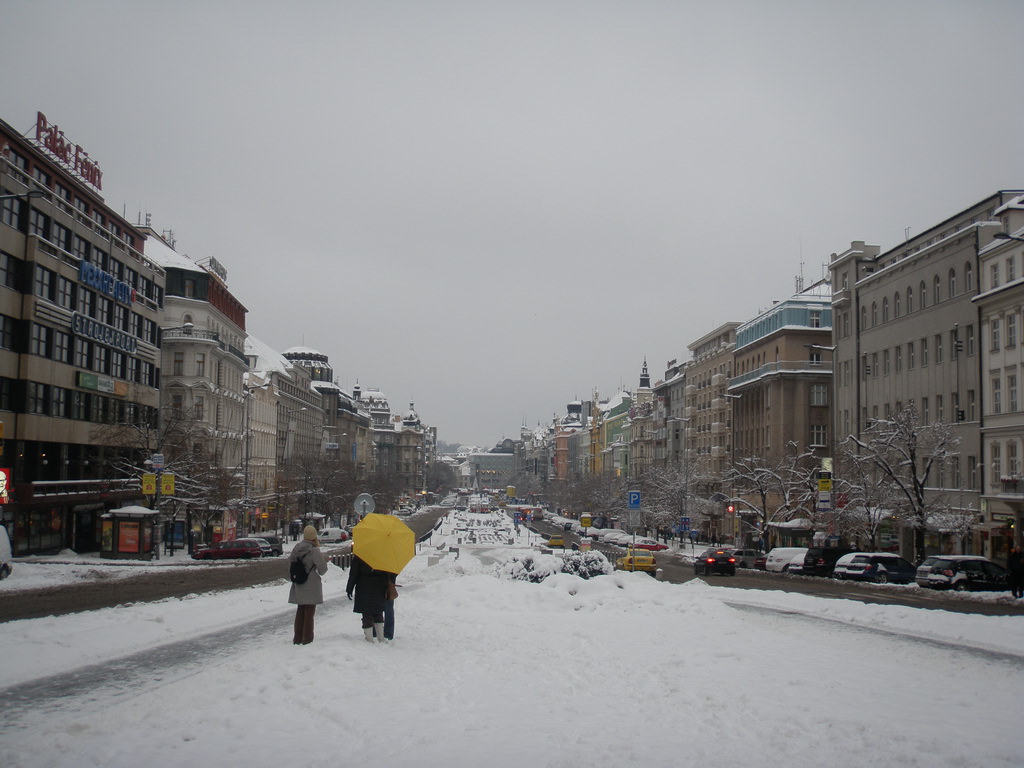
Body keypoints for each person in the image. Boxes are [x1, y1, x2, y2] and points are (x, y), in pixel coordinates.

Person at [288, 525, 328, 645]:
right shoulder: (313, 550)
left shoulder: (296, 548)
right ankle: (307, 638)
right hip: (311, 584)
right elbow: (323, 569)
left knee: (300, 610)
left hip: (299, 583)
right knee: (309, 612)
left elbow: (290, 565)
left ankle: (297, 638)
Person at [346, 554, 395, 643]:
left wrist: (349, 588)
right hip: (379, 586)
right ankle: (381, 638)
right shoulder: (383, 555)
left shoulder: (361, 555)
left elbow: (353, 573)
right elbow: (388, 572)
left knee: (366, 613)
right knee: (378, 612)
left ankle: (369, 639)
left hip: (364, 586)